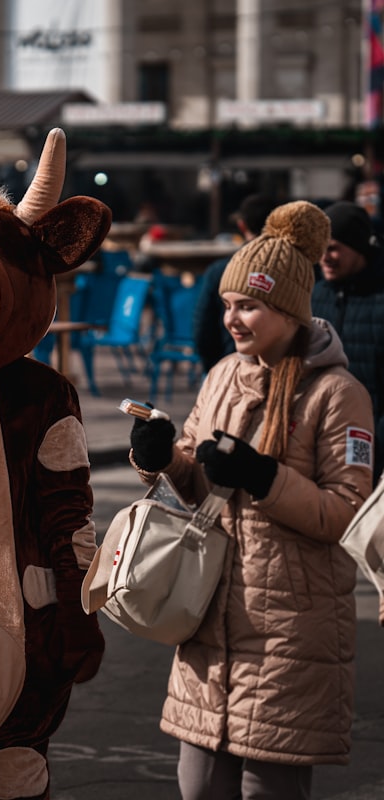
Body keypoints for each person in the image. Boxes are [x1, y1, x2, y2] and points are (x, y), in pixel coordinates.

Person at [127, 200, 374, 799]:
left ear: (289, 310)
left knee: (269, 787)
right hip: (208, 612)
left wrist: (263, 477)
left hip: (292, 625)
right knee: (198, 786)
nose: (233, 320)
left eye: (250, 306)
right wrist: (163, 456)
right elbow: (194, 480)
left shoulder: (339, 394)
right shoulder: (221, 377)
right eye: (228, 306)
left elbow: (344, 513)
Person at [312, 201, 384, 482]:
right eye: (320, 249)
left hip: (374, 448)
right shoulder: (315, 295)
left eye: (333, 247)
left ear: (359, 248)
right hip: (321, 442)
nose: (325, 257)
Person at [192, 193, 278, 372]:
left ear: (242, 225)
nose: (231, 318)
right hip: (279, 370)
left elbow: (202, 330)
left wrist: (215, 370)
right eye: (228, 307)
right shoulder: (296, 272)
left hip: (229, 367)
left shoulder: (220, 270)